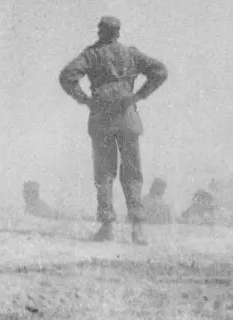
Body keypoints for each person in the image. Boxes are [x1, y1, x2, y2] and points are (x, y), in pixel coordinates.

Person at [59, 16, 168, 244]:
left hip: (102, 117)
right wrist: (139, 95)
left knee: (104, 173)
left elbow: (67, 76)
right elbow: (160, 71)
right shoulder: (131, 54)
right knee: (133, 174)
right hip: (127, 116)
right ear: (118, 33)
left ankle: (107, 227)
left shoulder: (91, 54)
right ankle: (137, 228)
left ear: (100, 31)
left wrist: (85, 100)